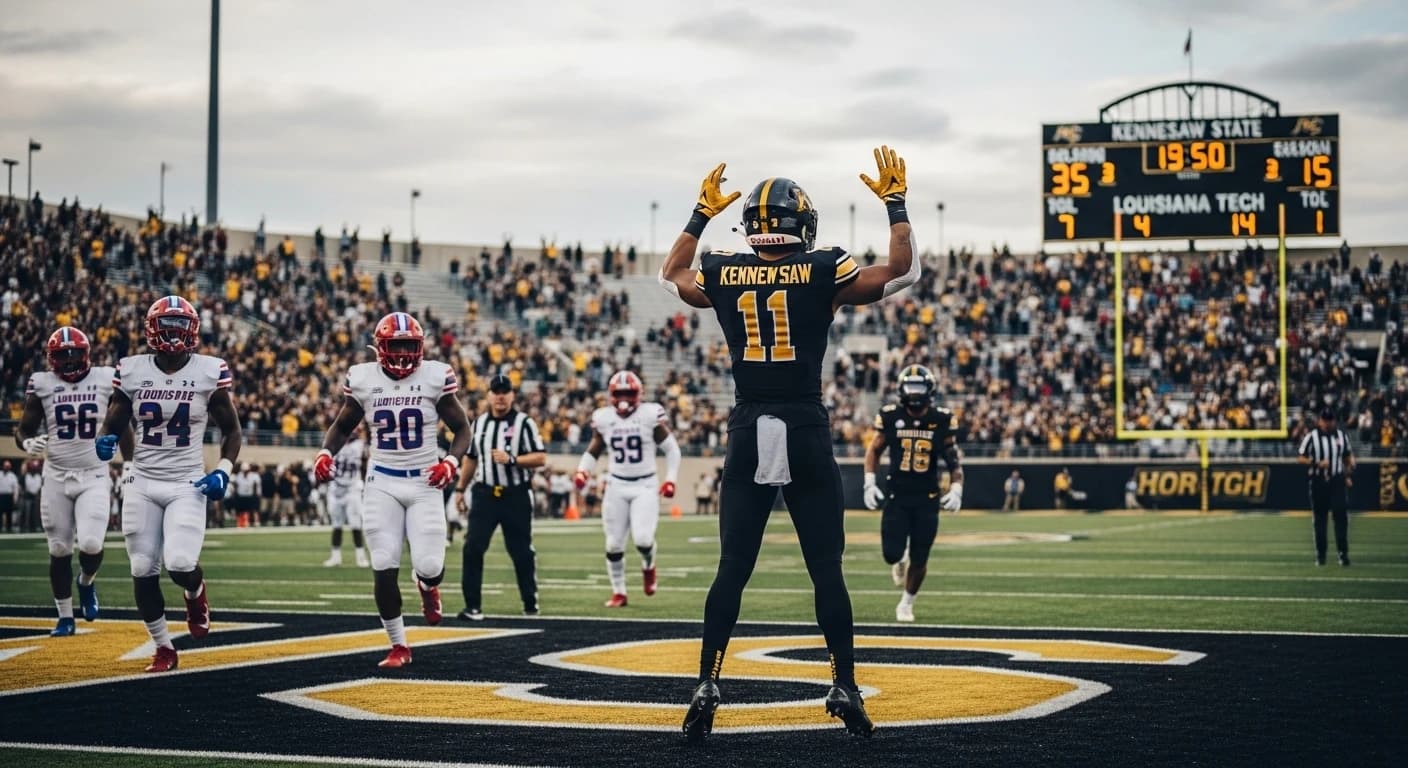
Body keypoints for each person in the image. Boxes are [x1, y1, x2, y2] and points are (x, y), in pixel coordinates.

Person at [659, 146, 921, 740]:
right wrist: (896, 204)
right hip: (803, 426)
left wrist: (699, 215)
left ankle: (707, 680)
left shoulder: (724, 268)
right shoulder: (824, 265)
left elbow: (670, 276)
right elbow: (902, 273)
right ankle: (844, 684)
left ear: (750, 224)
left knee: (732, 567)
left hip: (749, 428)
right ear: (803, 223)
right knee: (826, 567)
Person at [314, 312, 472, 669]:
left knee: (430, 566)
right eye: (395, 346)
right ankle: (399, 644)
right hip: (382, 480)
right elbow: (343, 425)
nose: (402, 354)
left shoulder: (435, 376)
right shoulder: (364, 379)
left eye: (408, 346)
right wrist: (326, 451)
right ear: (379, 347)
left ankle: (427, 586)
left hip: (425, 481)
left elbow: (462, 428)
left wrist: (450, 462)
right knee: (383, 564)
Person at [96, 296, 243, 673]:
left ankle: (195, 593)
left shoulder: (209, 371)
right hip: (143, 480)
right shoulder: (132, 370)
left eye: (180, 326)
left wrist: (223, 469)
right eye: (168, 326)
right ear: (152, 329)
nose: (174, 334)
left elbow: (231, 430)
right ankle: (163, 647)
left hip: (186, 482)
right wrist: (105, 438)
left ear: (192, 330)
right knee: (142, 567)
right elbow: (115, 419)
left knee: (179, 563)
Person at [15, 327, 133, 635]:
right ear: (51, 358)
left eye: (74, 354)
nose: (68, 361)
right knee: (58, 550)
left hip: (94, 473)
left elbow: (122, 424)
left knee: (92, 544)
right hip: (55, 475)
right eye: (62, 355)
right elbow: (23, 429)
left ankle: (86, 582)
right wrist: (26, 443)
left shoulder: (106, 378)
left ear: (86, 354)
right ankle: (65, 616)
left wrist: (131, 463)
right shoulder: (42, 383)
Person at [573, 370, 682, 608]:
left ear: (638, 394)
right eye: (619, 393)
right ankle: (619, 592)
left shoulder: (649, 415)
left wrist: (671, 478)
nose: (623, 398)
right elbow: (594, 449)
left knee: (643, 539)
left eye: (628, 393)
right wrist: (583, 470)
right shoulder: (603, 418)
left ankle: (648, 565)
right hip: (616, 484)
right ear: (611, 395)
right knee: (613, 543)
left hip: (645, 484)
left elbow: (672, 449)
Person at [862, 365, 961, 623]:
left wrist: (957, 486)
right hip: (897, 496)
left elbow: (952, 458)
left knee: (921, 556)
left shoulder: (941, 418)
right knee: (891, 554)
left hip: (928, 498)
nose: (914, 393)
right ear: (901, 389)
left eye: (919, 387)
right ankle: (899, 559)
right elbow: (874, 450)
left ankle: (906, 603)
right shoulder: (890, 415)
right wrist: (869, 482)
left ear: (929, 389)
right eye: (911, 387)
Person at [451, 374, 547, 620]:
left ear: (512, 395)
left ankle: (530, 602)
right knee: (472, 547)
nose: (501, 396)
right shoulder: (479, 423)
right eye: (496, 391)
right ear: (490, 394)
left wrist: (512, 459)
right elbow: (471, 457)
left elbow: (540, 457)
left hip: (516, 495)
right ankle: (472, 606)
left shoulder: (524, 423)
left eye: (505, 391)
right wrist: (460, 489)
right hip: (485, 494)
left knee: (521, 552)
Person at [1297, 408, 1355, 566]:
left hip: (1337, 481)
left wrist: (1348, 473)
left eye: (1330, 420)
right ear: (1320, 421)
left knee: (1341, 518)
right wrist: (1317, 463)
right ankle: (1321, 555)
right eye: (1325, 420)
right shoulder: (1311, 436)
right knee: (1320, 520)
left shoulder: (1341, 436)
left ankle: (1343, 554)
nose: (1327, 423)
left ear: (1334, 420)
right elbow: (1300, 457)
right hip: (1318, 481)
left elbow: (1347, 455)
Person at [323, 425, 369, 567]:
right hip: (336, 488)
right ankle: (335, 557)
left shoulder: (360, 446)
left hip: (352, 488)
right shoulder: (334, 446)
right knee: (336, 524)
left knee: (356, 524)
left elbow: (366, 462)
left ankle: (360, 557)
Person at [230, 463, 261, 528]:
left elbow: (255, 486)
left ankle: (253, 522)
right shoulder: (239, 476)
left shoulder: (253, 476)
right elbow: (236, 485)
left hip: (250, 496)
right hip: (241, 496)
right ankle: (240, 523)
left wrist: (255, 496)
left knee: (252, 510)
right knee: (240, 510)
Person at [0, 461, 17, 532]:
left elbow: (15, 487)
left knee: (9, 513)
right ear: (3, 466)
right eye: (5, 466)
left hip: (9, 496)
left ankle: (9, 527)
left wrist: (15, 497)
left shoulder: (12, 475)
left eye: (8, 467)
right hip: (1, 495)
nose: (6, 468)